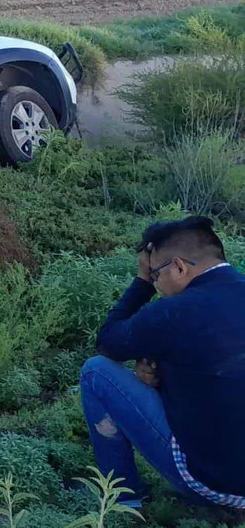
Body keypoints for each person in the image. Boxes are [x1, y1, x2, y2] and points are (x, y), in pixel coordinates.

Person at [81, 216, 245, 509]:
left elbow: (108, 342)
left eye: (156, 274)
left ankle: (122, 500)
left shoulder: (171, 313)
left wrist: (142, 282)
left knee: (97, 372)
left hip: (217, 485)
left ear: (179, 267)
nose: (156, 285)